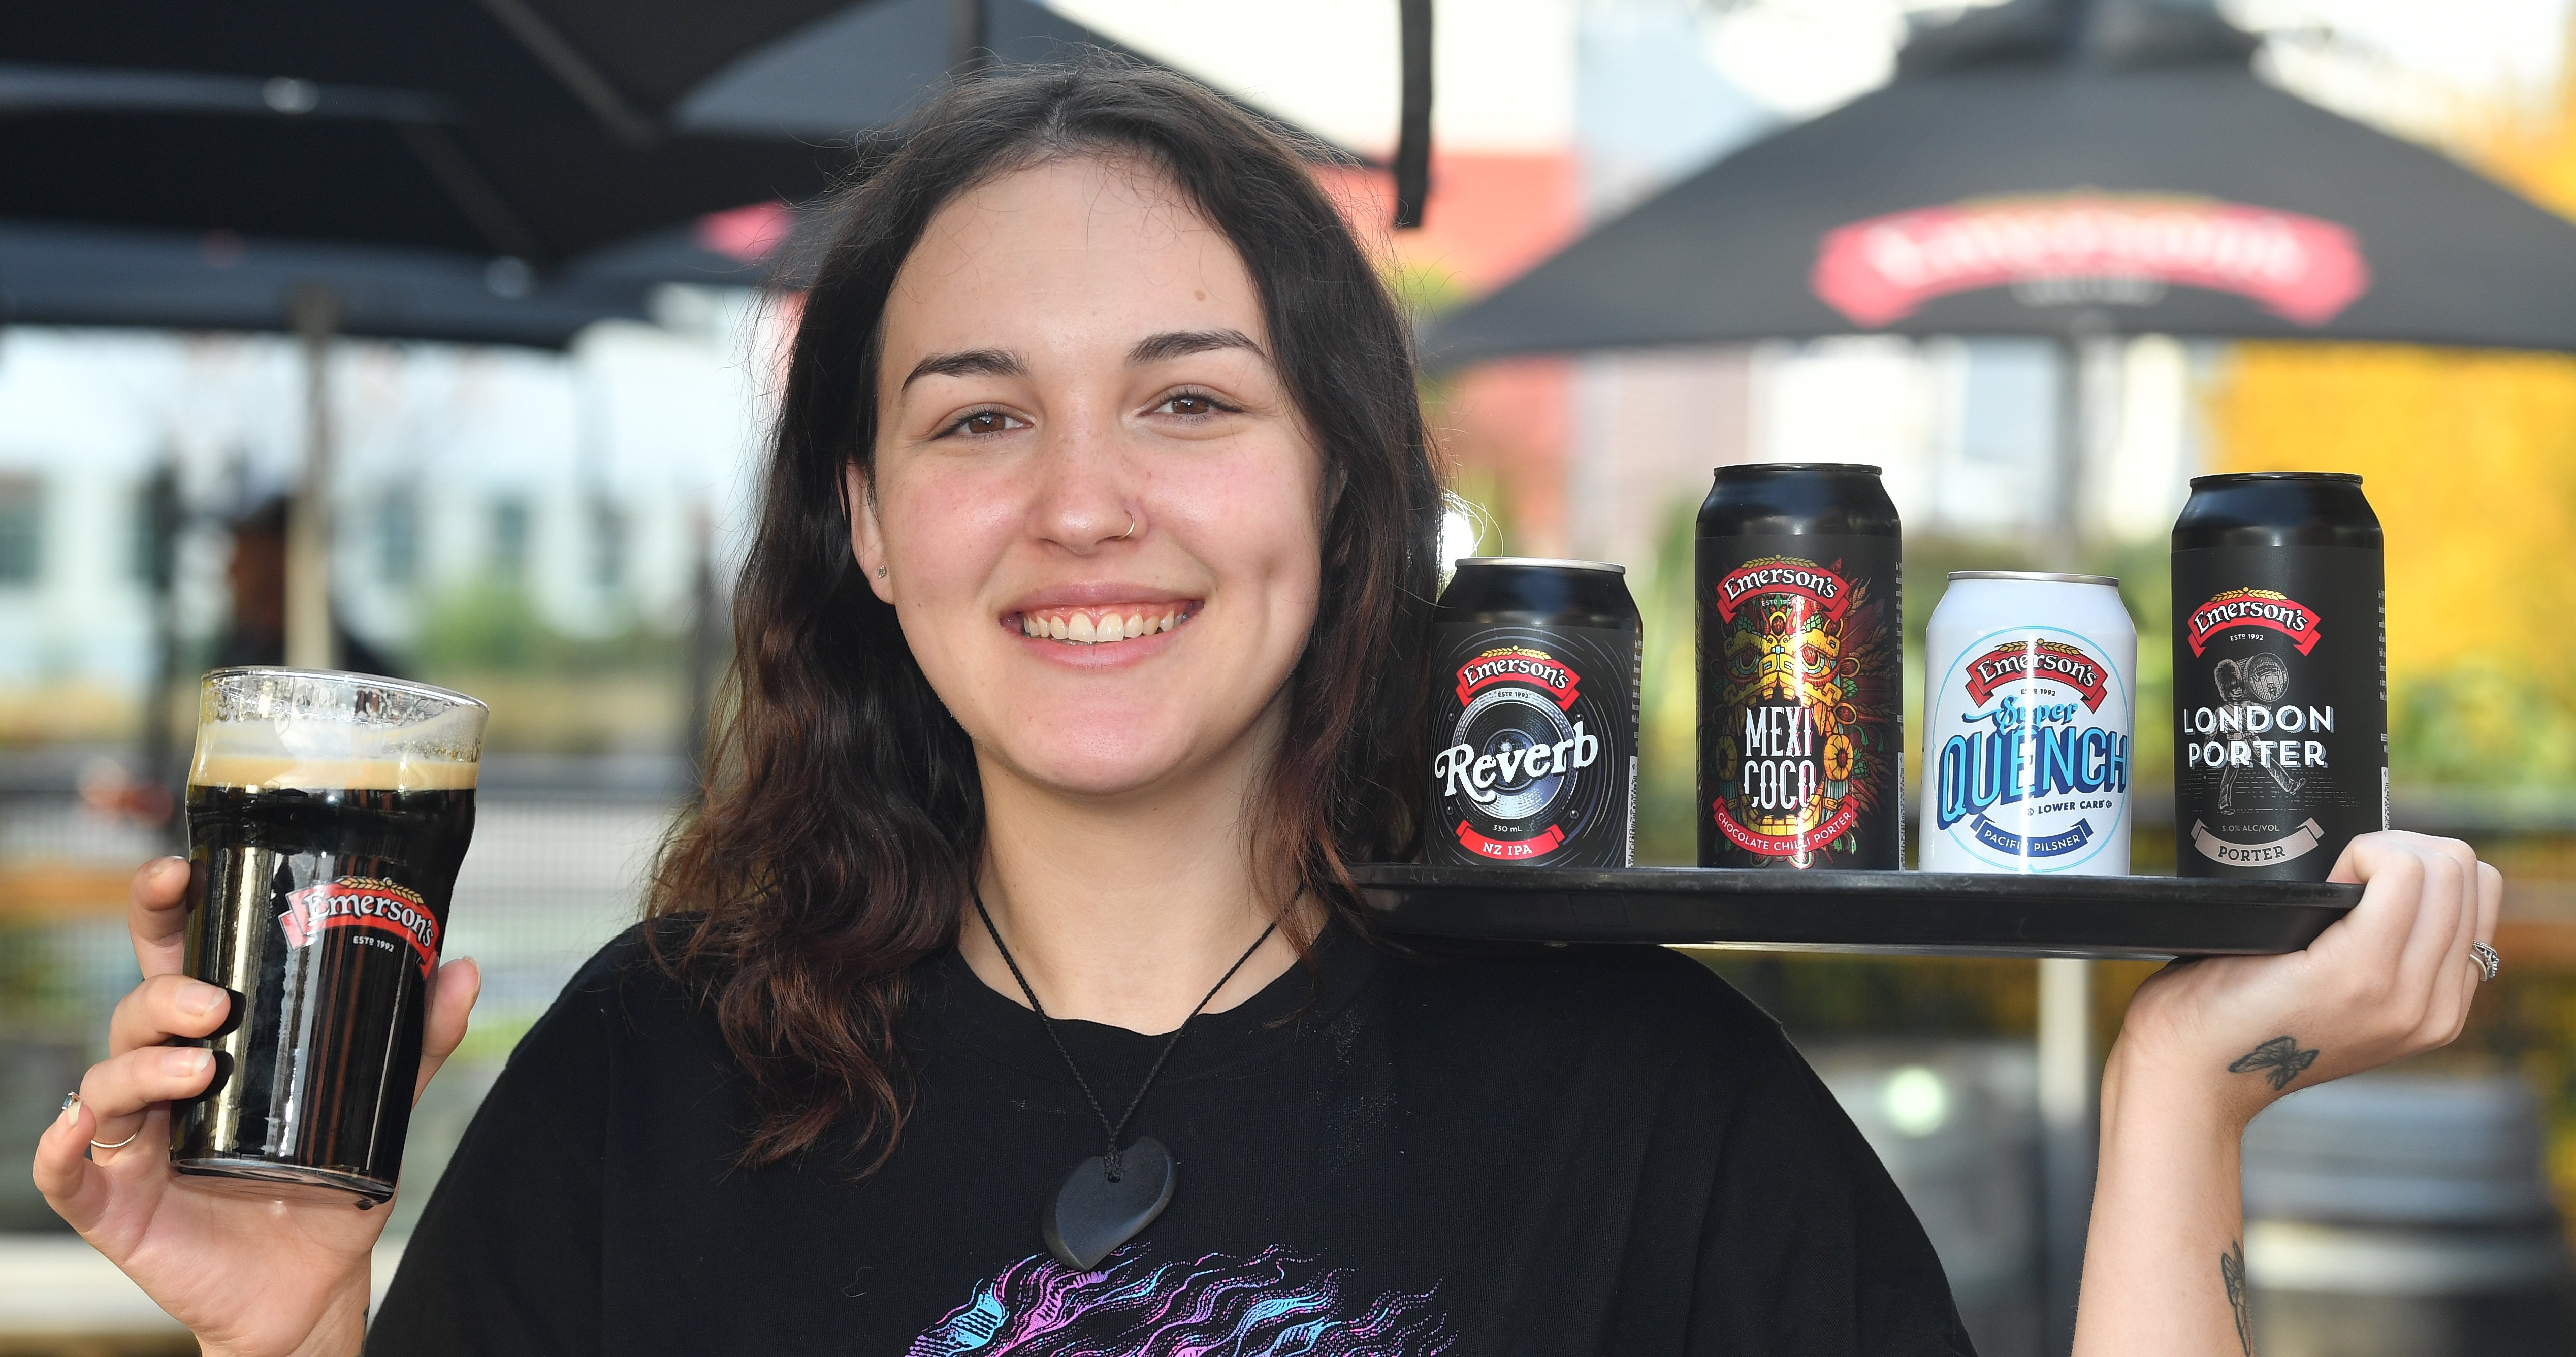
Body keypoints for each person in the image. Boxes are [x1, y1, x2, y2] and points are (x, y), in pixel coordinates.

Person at [36, 59, 2498, 1356]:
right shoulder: (653, 1077)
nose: (1083, 503)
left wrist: (2185, 1092)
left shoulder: (1642, 1095)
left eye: (1189, 403)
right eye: (977, 415)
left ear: (1344, 496)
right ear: (868, 529)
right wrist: (292, 1333)